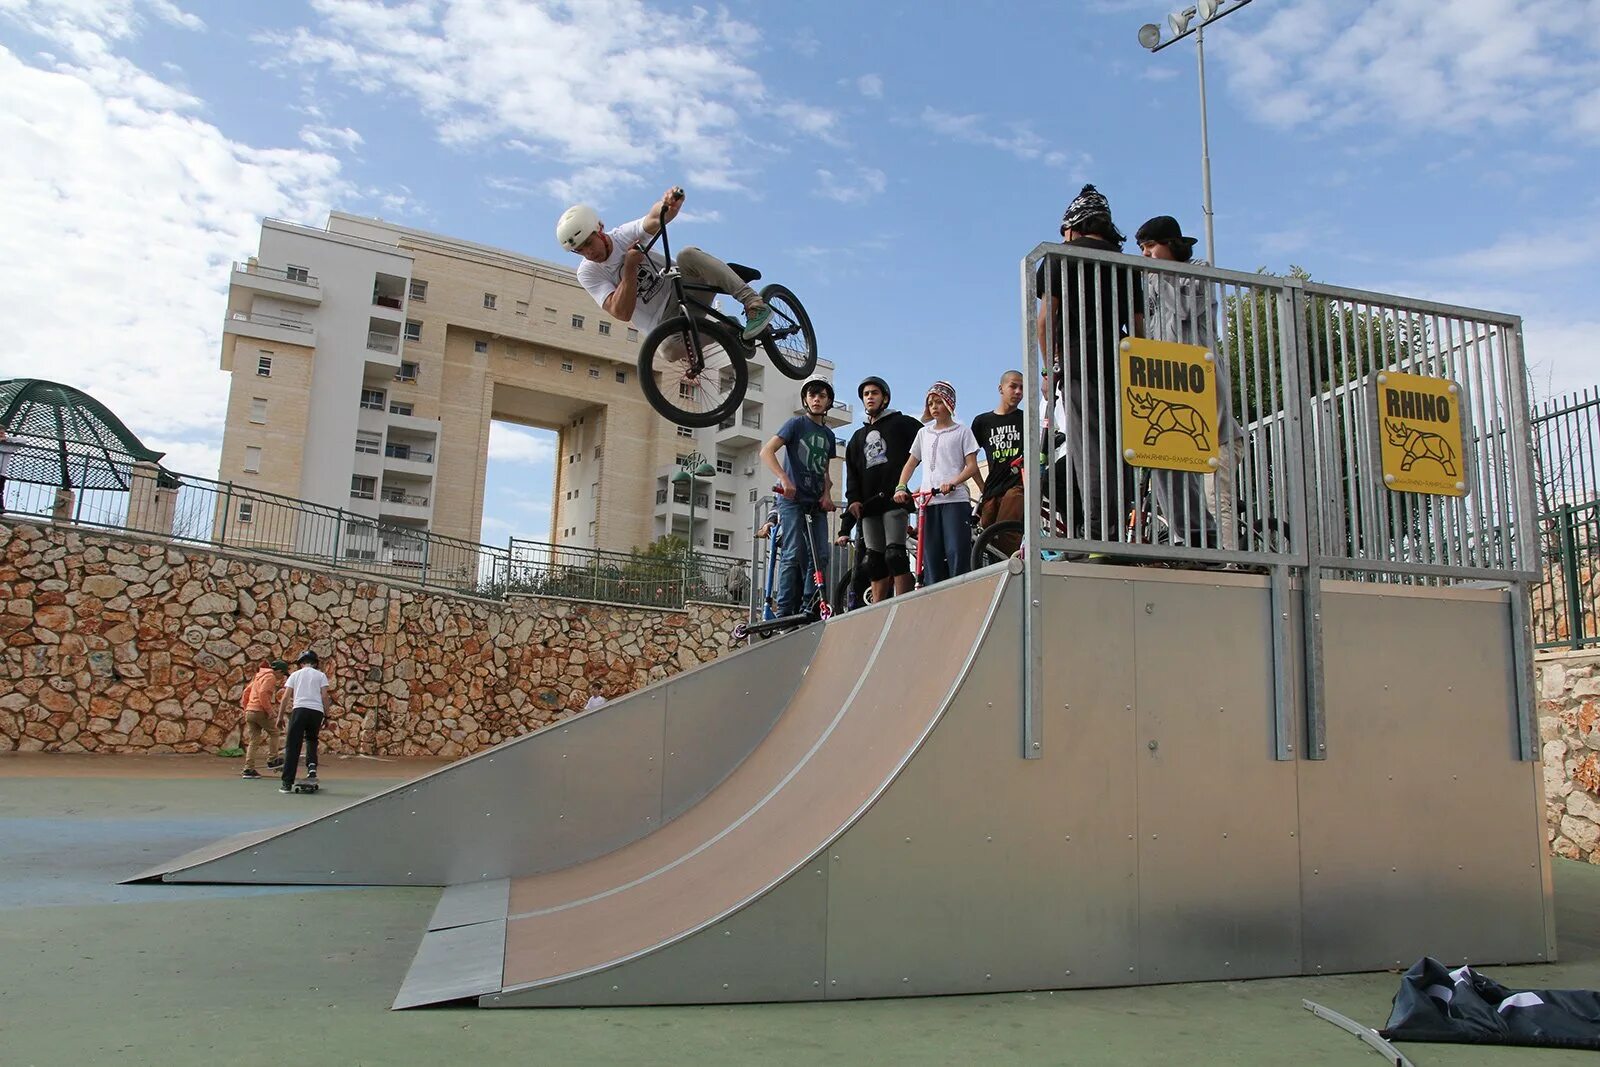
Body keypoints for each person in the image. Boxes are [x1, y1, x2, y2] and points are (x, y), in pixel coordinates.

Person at [1035, 184, 1144, 543]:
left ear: (1073, 225)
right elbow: (1139, 326)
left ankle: (1098, 536)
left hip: (1080, 363)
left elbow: (1045, 319)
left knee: (1089, 450)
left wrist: (1050, 368)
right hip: (1124, 363)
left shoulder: (1058, 258)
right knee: (1122, 449)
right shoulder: (1128, 265)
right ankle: (1120, 533)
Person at [1135, 214, 1246, 548]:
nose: (1145, 254)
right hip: (1176, 402)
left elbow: (1184, 310)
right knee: (1174, 489)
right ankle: (1195, 550)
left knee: (1216, 498)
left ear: (1170, 244)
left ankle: (1229, 563)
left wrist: (1162, 273)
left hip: (1215, 421)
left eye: (1150, 246)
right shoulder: (1150, 279)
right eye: (1141, 248)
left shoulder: (1197, 270)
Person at [556, 187, 771, 345]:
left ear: (599, 229)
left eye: (588, 243)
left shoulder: (623, 235)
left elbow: (654, 219)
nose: (588, 253)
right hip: (665, 320)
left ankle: (754, 303)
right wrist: (629, 269)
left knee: (687, 255)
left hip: (685, 290)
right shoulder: (588, 272)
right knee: (667, 350)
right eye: (580, 250)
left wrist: (667, 204)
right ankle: (726, 330)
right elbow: (620, 313)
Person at [759, 377, 838, 617]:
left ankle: (808, 604)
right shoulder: (795, 424)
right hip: (792, 501)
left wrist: (826, 494)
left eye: (822, 396)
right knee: (794, 552)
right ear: (805, 399)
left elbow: (824, 469)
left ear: (828, 402)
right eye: (812, 395)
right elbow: (766, 451)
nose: (816, 399)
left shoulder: (828, 435)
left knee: (821, 555)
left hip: (815, 502)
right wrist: (784, 479)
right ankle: (784, 609)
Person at [842, 376, 923, 602]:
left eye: (874, 393)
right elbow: (852, 474)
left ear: (885, 398)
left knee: (895, 555)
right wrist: (853, 500)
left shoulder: (901, 423)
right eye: (866, 394)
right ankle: (879, 608)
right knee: (873, 560)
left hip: (894, 499)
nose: (870, 397)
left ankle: (904, 603)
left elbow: (927, 441)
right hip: (869, 505)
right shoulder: (857, 438)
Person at [895, 381, 979, 586]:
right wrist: (901, 486)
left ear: (949, 404)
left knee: (956, 553)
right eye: (930, 403)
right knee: (929, 557)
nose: (934, 407)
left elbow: (972, 467)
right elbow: (911, 463)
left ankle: (960, 596)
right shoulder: (923, 434)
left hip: (954, 501)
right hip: (928, 503)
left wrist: (953, 482)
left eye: (938, 402)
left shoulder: (962, 431)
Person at [970, 370, 1027, 557]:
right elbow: (968, 458)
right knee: (985, 535)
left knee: (1007, 531)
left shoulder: (1025, 419)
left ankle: (1008, 572)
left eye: (1021, 387)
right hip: (992, 488)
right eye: (1013, 386)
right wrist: (982, 486)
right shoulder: (982, 422)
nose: (1018, 391)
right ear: (1000, 388)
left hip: (1017, 483)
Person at [278, 649, 331, 794]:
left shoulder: (295, 675)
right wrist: (327, 716)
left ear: (301, 663)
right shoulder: (321, 675)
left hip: (300, 709)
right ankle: (312, 768)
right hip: (316, 711)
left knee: (293, 744)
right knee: (312, 739)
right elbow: (325, 697)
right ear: (315, 664)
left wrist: (280, 717)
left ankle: (287, 783)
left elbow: (285, 697)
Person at [238, 659, 288, 779]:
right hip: (260, 710)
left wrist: (247, 707)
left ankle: (248, 769)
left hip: (250, 710)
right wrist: (270, 711)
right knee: (275, 732)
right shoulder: (270, 677)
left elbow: (246, 692)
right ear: (279, 671)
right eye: (283, 674)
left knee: (253, 740)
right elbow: (263, 693)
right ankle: (272, 759)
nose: (282, 677)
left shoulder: (259, 676)